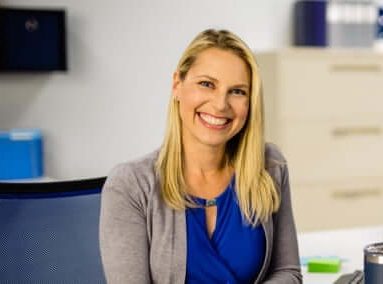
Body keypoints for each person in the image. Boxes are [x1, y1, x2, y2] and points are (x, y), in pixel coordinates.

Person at [99, 29, 302, 283]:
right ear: (177, 85)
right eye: (207, 84)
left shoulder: (269, 166)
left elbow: (288, 273)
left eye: (238, 91)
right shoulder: (131, 184)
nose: (220, 104)